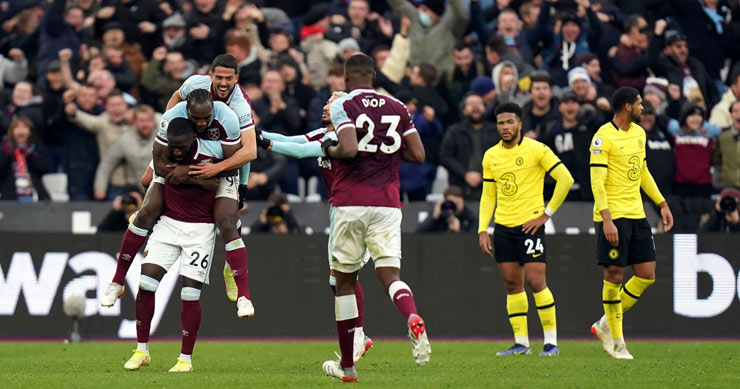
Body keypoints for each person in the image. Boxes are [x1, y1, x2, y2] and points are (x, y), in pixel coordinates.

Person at [101, 89, 254, 320]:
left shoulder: (228, 118)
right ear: (187, 113)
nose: (202, 122)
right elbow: (161, 163)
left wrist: (208, 171)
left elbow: (236, 162)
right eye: (196, 118)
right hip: (187, 169)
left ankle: (243, 294)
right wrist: (191, 176)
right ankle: (117, 281)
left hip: (219, 167)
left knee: (226, 221)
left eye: (206, 118)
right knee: (145, 208)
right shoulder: (172, 119)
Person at [321, 53, 429, 381]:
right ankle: (411, 316)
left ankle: (348, 366)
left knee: (343, 282)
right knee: (389, 276)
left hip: (351, 201)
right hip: (387, 203)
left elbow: (350, 149)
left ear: (346, 77)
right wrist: (388, 154)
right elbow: (419, 155)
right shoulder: (397, 106)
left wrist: (329, 148)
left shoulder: (344, 105)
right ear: (373, 75)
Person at [257, 91, 373, 363]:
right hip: (340, 209)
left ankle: (358, 334)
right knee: (336, 279)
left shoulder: (342, 138)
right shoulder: (325, 133)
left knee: (345, 276)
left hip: (358, 209)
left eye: (331, 104)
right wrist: (259, 134)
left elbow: (300, 151)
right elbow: (293, 140)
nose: (324, 107)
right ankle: (359, 333)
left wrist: (266, 143)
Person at [122, 117, 222, 373]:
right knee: (146, 283)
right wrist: (181, 174)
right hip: (167, 224)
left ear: (193, 140)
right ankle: (141, 350)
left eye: (181, 146)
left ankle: (185, 359)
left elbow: (214, 182)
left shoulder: (209, 153)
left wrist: (186, 173)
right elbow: (151, 177)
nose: (176, 151)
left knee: (190, 293)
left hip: (200, 230)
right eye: (173, 146)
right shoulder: (163, 153)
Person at [477, 102, 574, 357]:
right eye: (501, 123)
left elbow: (566, 179)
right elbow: (488, 195)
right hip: (503, 227)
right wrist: (482, 230)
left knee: (535, 281)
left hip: (530, 225)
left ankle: (551, 342)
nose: (505, 127)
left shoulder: (537, 149)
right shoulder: (491, 156)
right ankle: (521, 343)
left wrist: (545, 215)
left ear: (520, 124)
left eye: (510, 122)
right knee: (511, 284)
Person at [588, 87, 674, 359]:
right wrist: (607, 219)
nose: (643, 108)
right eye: (639, 104)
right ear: (627, 107)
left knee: (647, 275)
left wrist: (661, 203)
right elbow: (596, 182)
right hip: (612, 216)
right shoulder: (602, 137)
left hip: (637, 214)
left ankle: (603, 324)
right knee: (614, 277)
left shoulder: (639, 133)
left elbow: (643, 171)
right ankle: (618, 342)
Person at [0, 117, 49, 202]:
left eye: (24, 127)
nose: (21, 130)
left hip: (33, 194)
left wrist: (30, 154)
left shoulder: (36, 148)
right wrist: (6, 154)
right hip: (10, 196)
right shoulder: (5, 149)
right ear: (12, 131)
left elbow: (43, 169)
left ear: (30, 132)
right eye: (17, 127)